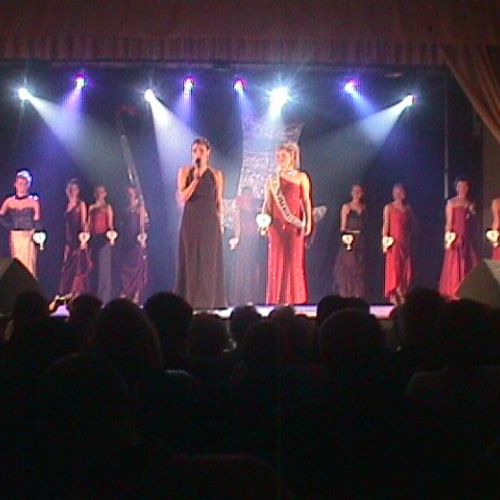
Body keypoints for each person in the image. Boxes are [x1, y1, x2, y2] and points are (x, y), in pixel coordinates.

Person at [175, 138, 225, 309]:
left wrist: (221, 222)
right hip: (191, 220)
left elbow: (219, 201)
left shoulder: (216, 175)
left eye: (201, 151)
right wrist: (195, 180)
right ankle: (189, 299)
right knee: (191, 258)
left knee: (208, 260)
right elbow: (183, 197)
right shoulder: (185, 172)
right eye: (195, 150)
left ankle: (209, 300)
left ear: (208, 153)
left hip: (210, 221)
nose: (198, 154)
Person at [262, 142, 312, 305]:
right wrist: (264, 221)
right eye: (278, 156)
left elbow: (306, 201)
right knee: (276, 261)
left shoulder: (301, 177)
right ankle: (277, 300)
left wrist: (308, 222)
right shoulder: (272, 179)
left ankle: (294, 299)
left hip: (294, 224)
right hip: (276, 225)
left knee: (293, 260)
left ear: (292, 156)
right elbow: (268, 203)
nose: (280, 159)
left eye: (283, 155)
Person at [439, 177, 479, 299]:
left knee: (469, 264)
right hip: (456, 238)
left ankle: (467, 292)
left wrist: (472, 213)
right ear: (456, 188)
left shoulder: (470, 203)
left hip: (468, 239)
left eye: (465, 186)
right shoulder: (451, 202)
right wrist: (448, 239)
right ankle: (454, 292)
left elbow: (474, 223)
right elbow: (449, 222)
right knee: (454, 266)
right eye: (460, 186)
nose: (462, 189)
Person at [0, 170, 41, 276]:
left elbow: (37, 220)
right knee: (17, 264)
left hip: (29, 236)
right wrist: (9, 225)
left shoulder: (33, 201)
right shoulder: (9, 201)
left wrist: (38, 237)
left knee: (29, 266)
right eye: (19, 183)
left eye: (24, 184)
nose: (21, 186)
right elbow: (1, 216)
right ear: (15, 184)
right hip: (15, 237)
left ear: (28, 185)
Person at [383, 183, 415, 305]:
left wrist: (409, 236)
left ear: (404, 194)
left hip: (405, 243)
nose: (397, 194)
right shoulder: (389, 207)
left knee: (404, 269)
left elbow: (414, 225)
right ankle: (395, 293)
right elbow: (386, 225)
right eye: (395, 192)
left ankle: (403, 292)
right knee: (394, 268)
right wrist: (385, 240)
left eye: (399, 192)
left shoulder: (408, 209)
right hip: (393, 243)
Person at [333, 184, 367, 298]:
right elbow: (343, 226)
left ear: (362, 193)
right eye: (354, 191)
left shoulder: (364, 208)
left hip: (361, 240)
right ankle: (347, 294)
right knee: (349, 266)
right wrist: (346, 239)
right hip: (349, 240)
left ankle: (358, 294)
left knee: (360, 266)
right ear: (351, 193)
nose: (356, 194)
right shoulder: (346, 207)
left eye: (359, 191)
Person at [59, 179, 90, 297]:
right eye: (72, 189)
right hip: (68, 239)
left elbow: (84, 222)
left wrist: (84, 239)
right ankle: (66, 293)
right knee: (66, 267)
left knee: (78, 267)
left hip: (78, 239)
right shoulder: (66, 204)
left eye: (76, 189)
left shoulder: (81, 204)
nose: (74, 191)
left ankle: (76, 293)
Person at [231, 186, 261, 304]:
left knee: (252, 266)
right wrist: (237, 238)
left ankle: (253, 296)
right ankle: (242, 296)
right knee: (243, 267)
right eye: (246, 194)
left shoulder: (256, 208)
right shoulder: (239, 208)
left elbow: (260, 223)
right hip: (244, 240)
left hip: (254, 239)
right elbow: (237, 224)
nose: (248, 197)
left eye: (249, 194)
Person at [120, 186, 149, 304]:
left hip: (136, 240)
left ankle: (136, 294)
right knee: (125, 267)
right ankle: (127, 292)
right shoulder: (127, 208)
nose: (129, 195)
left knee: (137, 266)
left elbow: (142, 224)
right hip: (127, 240)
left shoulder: (140, 207)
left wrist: (142, 238)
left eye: (131, 192)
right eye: (128, 193)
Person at [88, 185, 115, 304]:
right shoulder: (92, 207)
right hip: (94, 239)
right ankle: (94, 295)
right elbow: (88, 224)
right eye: (98, 192)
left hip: (104, 239)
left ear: (105, 194)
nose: (101, 194)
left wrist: (111, 237)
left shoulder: (107, 207)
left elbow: (110, 225)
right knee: (94, 268)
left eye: (103, 192)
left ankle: (104, 297)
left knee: (104, 268)